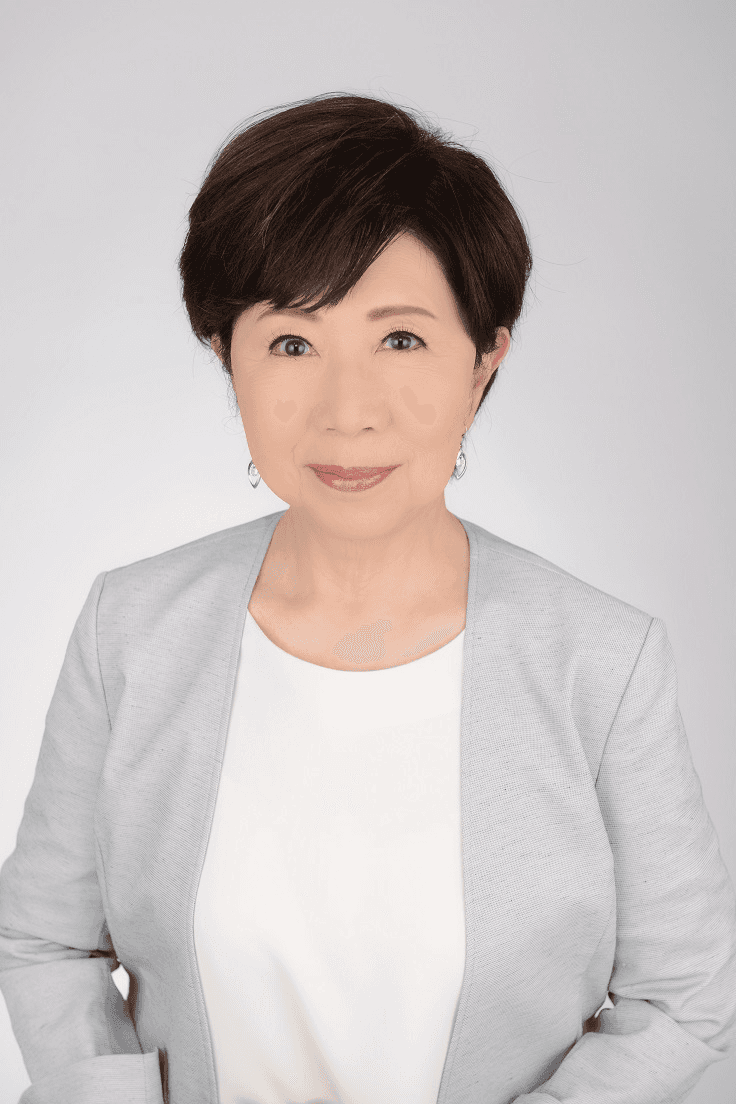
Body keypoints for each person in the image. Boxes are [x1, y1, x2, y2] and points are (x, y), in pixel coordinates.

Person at [1, 91, 735, 1104]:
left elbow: (684, 997)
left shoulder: (602, 664)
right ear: (226, 357)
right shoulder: (130, 630)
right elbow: (45, 941)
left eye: (400, 341)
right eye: (291, 343)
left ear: (483, 361)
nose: (347, 414)